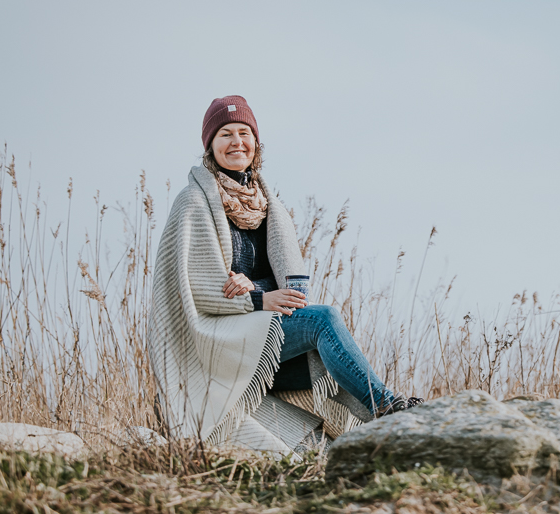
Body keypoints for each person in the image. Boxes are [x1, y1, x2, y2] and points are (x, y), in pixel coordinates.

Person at [148, 95, 421, 451]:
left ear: (255, 143)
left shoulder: (269, 205)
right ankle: (386, 407)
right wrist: (258, 299)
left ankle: (370, 435)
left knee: (322, 337)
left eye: (244, 133)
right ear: (209, 146)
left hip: (260, 337)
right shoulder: (193, 202)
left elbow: (293, 293)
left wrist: (255, 288)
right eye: (225, 134)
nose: (236, 143)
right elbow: (193, 288)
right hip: (217, 342)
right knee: (323, 320)